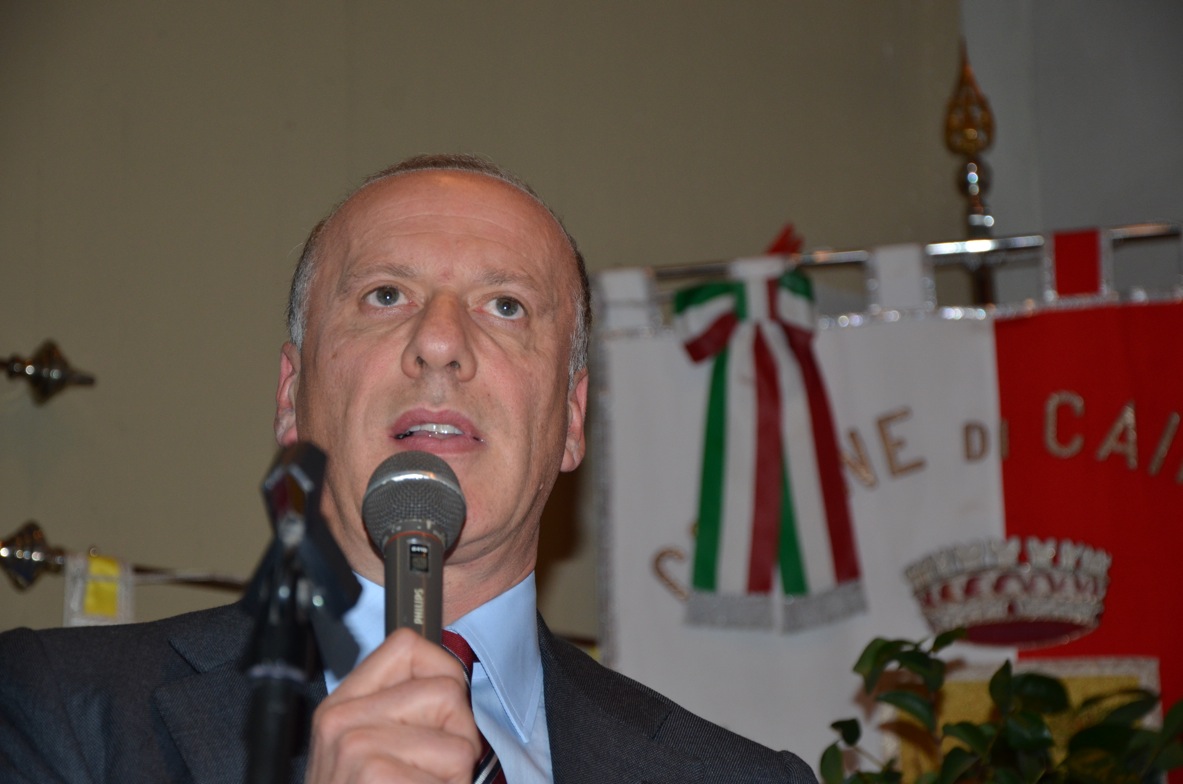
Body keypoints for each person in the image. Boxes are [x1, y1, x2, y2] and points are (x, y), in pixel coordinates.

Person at [0, 154, 817, 783]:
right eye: (386, 295)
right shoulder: (62, 712)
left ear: (572, 420)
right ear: (291, 396)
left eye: (505, 306)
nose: (439, 341)